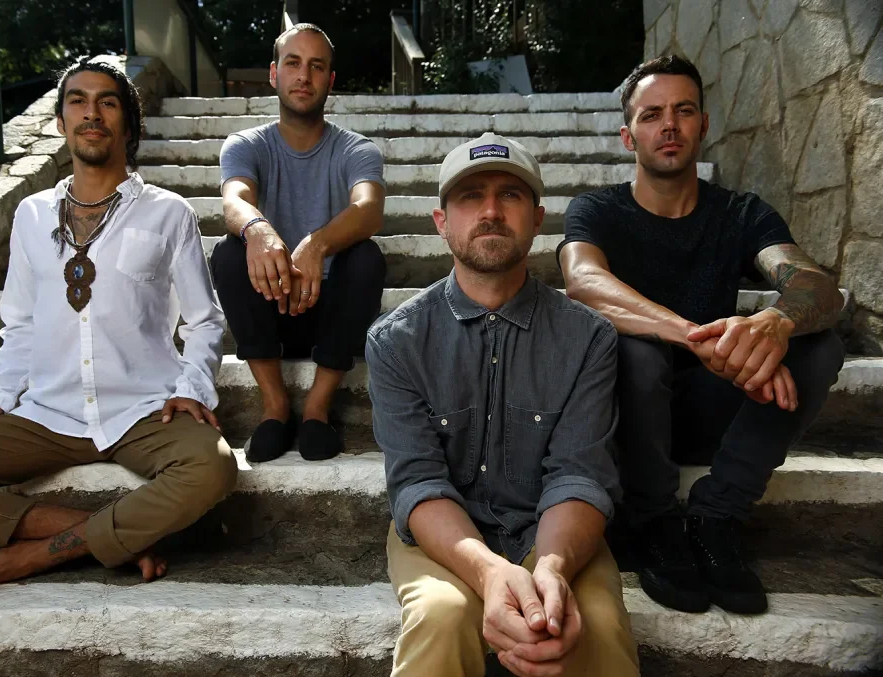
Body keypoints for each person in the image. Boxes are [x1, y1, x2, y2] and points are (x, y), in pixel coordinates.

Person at [0, 60, 237, 601]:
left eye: (107, 102)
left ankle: (26, 556)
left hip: (143, 409)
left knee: (214, 469)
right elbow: (21, 327)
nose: (91, 112)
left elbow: (204, 321)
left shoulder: (167, 212)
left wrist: (190, 389)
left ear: (128, 124)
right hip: (45, 412)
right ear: (60, 122)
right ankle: (77, 531)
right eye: (78, 101)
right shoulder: (32, 214)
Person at [558, 55, 846, 615]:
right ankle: (653, 520)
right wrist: (697, 338)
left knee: (821, 342)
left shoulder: (740, 213)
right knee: (633, 348)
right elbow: (583, 282)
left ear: (703, 126)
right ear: (628, 136)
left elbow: (817, 286)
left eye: (683, 111)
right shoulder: (597, 211)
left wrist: (775, 324)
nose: (669, 125)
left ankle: (716, 515)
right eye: (652, 114)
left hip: (718, 410)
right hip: (628, 418)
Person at [367, 133, 640, 677]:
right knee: (440, 616)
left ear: (538, 218)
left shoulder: (588, 338)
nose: (490, 211)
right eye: (470, 197)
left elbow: (579, 475)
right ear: (441, 222)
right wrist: (491, 573)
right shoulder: (395, 341)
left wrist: (553, 571)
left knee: (597, 625)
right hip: (443, 537)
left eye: (510, 195)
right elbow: (418, 481)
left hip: (553, 532)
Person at [211, 23, 386, 463]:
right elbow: (234, 199)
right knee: (229, 251)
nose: (303, 76)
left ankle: (316, 408)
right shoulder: (246, 144)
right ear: (274, 74)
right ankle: (274, 407)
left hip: (330, 312)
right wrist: (259, 230)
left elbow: (369, 209)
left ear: (330, 79)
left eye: (316, 66)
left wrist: (317, 244)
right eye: (293, 63)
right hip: (269, 298)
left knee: (366, 257)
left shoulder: (356, 149)